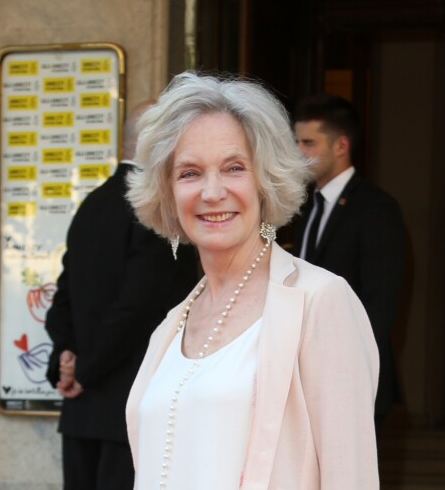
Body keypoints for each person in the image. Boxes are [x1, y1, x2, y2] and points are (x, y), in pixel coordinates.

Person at [125, 71, 380, 489]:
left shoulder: (319, 302)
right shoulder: (170, 327)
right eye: (189, 173)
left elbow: (349, 476)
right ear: (167, 192)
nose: (212, 192)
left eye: (234, 168)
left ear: (265, 180)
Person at [44, 101, 198, 490]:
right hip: (130, 405)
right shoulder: (155, 210)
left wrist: (66, 354)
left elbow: (64, 294)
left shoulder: (92, 205)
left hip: (82, 411)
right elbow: (138, 307)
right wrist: (84, 370)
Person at [292, 93, 406, 433]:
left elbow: (379, 304)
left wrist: (341, 375)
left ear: (341, 145)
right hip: (304, 379)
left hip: (350, 380)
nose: (299, 152)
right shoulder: (304, 206)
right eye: (296, 141)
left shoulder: (376, 209)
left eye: (309, 143)